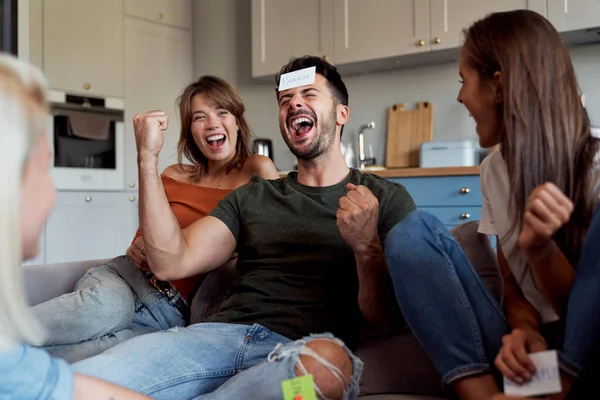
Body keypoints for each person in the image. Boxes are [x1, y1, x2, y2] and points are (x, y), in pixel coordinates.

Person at [70, 55, 420, 399]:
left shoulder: (383, 198)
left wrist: (366, 247)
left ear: (342, 113)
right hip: (213, 339)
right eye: (285, 100)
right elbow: (170, 261)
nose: (294, 103)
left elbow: (385, 319)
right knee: (80, 384)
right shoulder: (254, 196)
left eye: (308, 95)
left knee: (327, 372)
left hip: (292, 360)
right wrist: (147, 157)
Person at [30, 75, 280, 363]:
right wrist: (139, 248)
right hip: (128, 281)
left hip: (170, 314)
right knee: (108, 308)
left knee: (97, 356)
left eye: (222, 112)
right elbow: (141, 240)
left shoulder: (257, 169)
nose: (212, 123)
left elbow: (268, 242)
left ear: (237, 121)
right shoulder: (174, 174)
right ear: (191, 131)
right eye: (200, 117)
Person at [455, 9, 600, 400]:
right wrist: (524, 329)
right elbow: (511, 283)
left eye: (463, 81)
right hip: (539, 344)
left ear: (497, 86)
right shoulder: (493, 171)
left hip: (584, 347)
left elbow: (585, 316)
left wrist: (540, 249)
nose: (460, 96)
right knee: (416, 235)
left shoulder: (596, 167)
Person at [0, 52, 155, 400]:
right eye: (43, 169)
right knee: (111, 308)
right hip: (128, 281)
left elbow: (57, 386)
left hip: (160, 315)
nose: (53, 190)